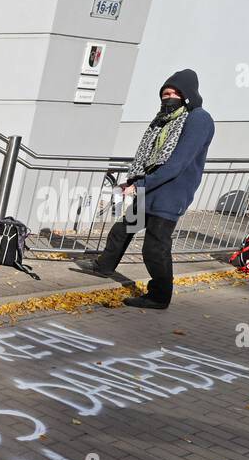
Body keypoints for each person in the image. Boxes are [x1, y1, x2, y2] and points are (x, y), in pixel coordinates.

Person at [75, 69, 214, 309]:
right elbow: (151, 156)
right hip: (151, 190)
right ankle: (104, 266)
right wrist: (133, 181)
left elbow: (176, 164)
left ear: (188, 94)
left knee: (155, 246)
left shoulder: (198, 119)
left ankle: (159, 296)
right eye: (165, 93)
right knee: (123, 229)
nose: (168, 97)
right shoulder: (163, 120)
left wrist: (141, 184)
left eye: (174, 93)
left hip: (171, 194)